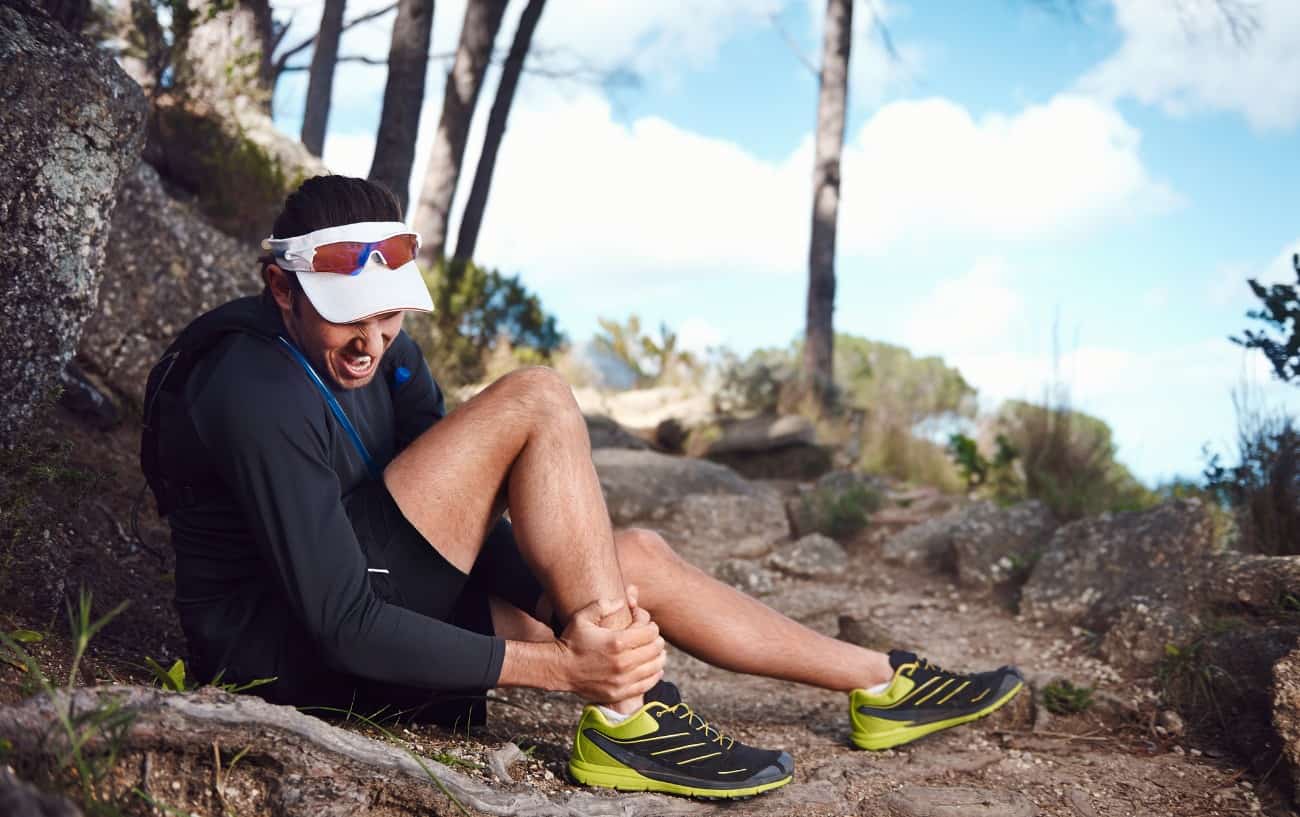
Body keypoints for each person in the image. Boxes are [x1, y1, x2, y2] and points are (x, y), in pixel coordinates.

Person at [143, 175, 1024, 800]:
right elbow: (343, 623)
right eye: (349, 316)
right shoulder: (251, 387)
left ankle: (881, 685)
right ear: (281, 289)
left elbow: (447, 524)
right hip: (288, 652)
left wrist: (578, 610)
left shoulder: (388, 354)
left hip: (370, 592)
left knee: (629, 558)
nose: (373, 341)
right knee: (537, 396)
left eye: (390, 311)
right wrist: (563, 667)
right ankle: (627, 724)